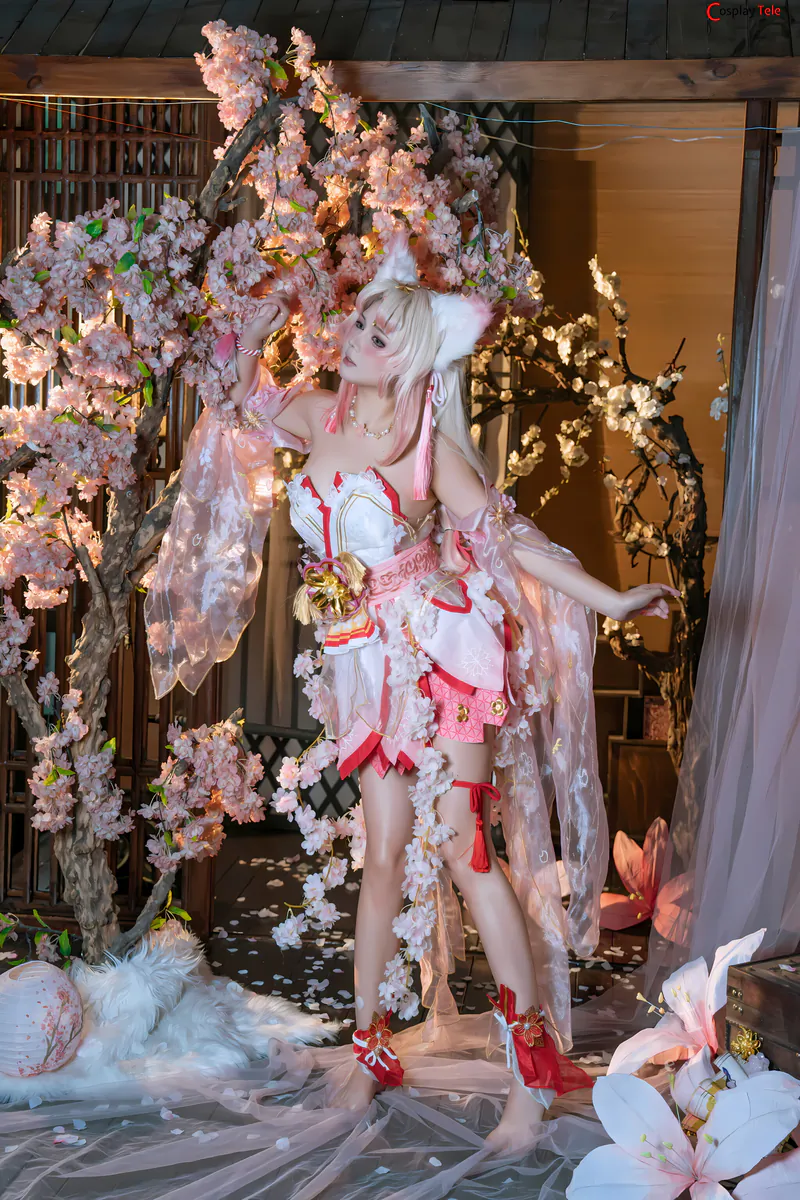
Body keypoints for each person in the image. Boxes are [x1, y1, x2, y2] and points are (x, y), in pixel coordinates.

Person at [146, 236, 677, 1154]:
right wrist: (255, 329)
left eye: (380, 335)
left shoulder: (431, 450)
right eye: (358, 323)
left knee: (467, 849)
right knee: (384, 853)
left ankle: (530, 1079)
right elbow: (235, 398)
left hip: (448, 655)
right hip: (364, 665)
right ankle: (370, 1053)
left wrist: (613, 598)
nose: (354, 339)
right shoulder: (316, 413)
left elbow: (514, 543)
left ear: (417, 357)